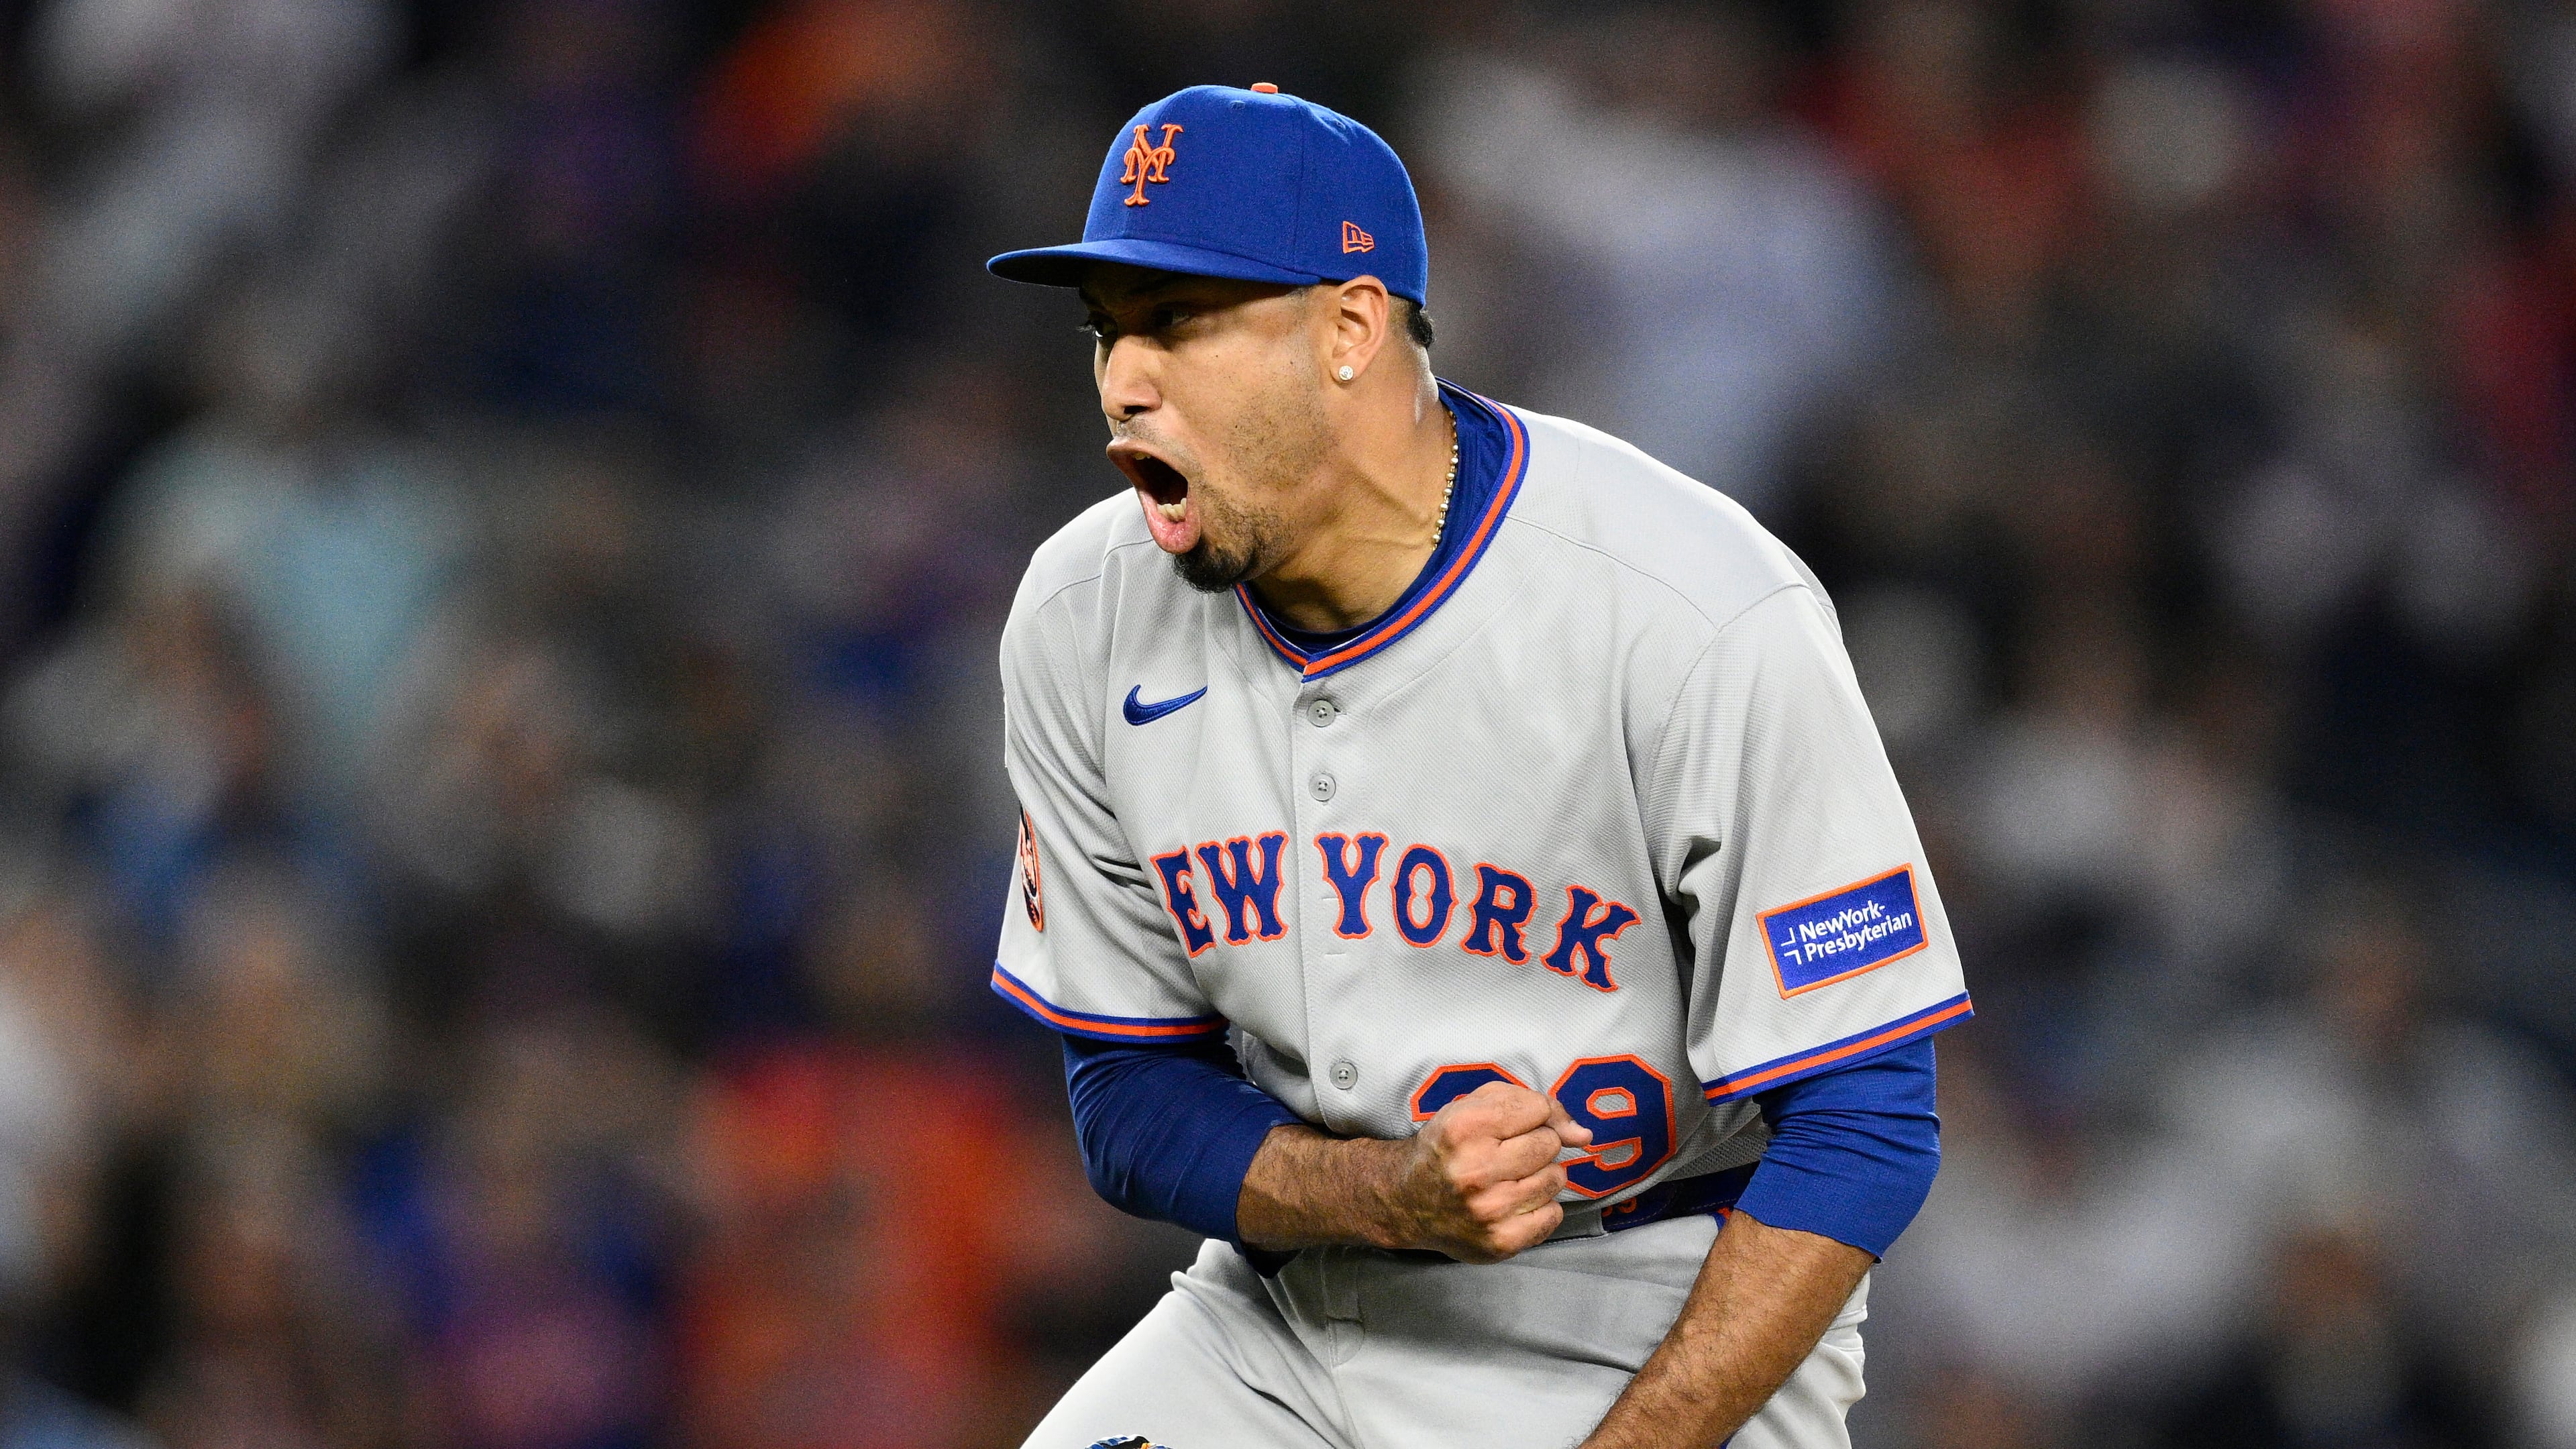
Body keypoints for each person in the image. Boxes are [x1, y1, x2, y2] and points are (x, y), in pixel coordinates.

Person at [983, 83, 1972, 1449]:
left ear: (1350, 326)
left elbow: (1865, 1129)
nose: (1123, 383)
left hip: (1650, 1316)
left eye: (1179, 327)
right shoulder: (1081, 616)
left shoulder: (1688, 609)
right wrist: (1382, 1198)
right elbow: (1131, 1102)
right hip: (1280, 1319)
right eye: (1108, 333)